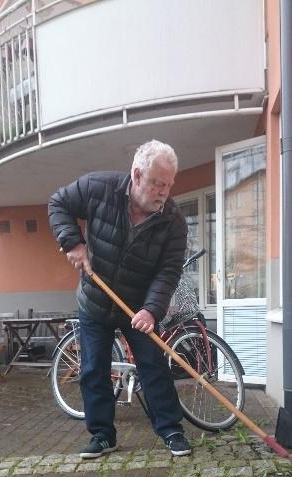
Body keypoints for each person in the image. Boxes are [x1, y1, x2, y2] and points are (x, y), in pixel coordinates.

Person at [48, 139, 191, 459]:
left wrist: (152, 310)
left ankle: (171, 429)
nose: (163, 192)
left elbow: (168, 272)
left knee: (154, 365)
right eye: (157, 183)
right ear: (137, 175)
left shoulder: (173, 221)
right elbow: (58, 203)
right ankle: (102, 435)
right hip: (95, 300)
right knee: (93, 369)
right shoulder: (100, 188)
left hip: (138, 306)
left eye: (168, 185)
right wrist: (72, 242)